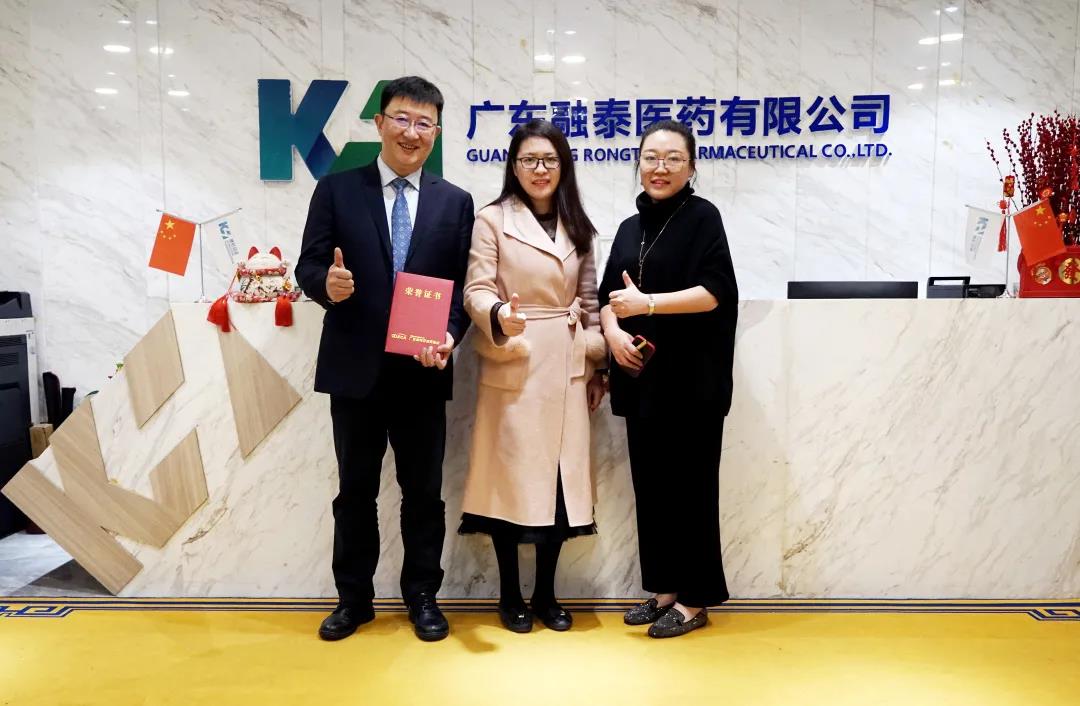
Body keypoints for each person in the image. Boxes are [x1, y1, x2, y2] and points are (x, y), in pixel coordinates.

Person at [295, 76, 475, 642]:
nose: (411, 132)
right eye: (401, 118)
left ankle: (423, 597)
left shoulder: (455, 202)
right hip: (355, 371)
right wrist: (326, 285)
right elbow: (308, 266)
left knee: (424, 496)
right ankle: (353, 600)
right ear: (379, 123)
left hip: (422, 372)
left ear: (436, 132)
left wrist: (451, 335)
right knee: (355, 493)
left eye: (424, 123)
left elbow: (462, 290)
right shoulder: (336, 190)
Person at [460, 119, 607, 633]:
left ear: (562, 166)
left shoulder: (578, 224)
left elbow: (590, 302)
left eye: (549, 160)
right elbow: (475, 289)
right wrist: (500, 314)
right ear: (514, 166)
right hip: (515, 361)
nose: (539, 169)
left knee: (560, 486)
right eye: (529, 160)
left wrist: (597, 367)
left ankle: (546, 594)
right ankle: (508, 596)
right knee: (510, 482)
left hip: (568, 364)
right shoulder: (492, 219)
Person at [598, 119, 738, 639]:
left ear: (691, 167)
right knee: (652, 489)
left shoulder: (703, 217)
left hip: (693, 383)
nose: (660, 167)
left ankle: (695, 598)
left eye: (673, 158)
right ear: (638, 163)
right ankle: (663, 589)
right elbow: (607, 298)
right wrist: (613, 334)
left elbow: (715, 292)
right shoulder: (627, 227)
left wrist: (649, 304)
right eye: (651, 157)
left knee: (692, 492)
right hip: (642, 379)